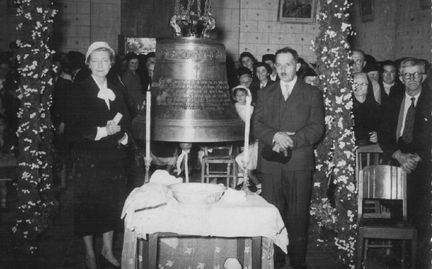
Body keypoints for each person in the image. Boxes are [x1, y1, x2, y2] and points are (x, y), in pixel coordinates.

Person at [253, 47, 324, 268]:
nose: (283, 69)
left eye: (288, 64)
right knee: (273, 212)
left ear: (298, 66)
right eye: (279, 65)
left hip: (299, 163)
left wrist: (291, 140)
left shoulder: (312, 93)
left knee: (298, 214)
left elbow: (317, 128)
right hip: (271, 163)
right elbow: (257, 125)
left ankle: (298, 261)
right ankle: (276, 260)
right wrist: (276, 135)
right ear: (274, 67)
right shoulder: (266, 92)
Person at [67, 41, 131, 269]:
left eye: (105, 60)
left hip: (113, 157)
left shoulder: (117, 87)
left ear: (112, 63)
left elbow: (125, 117)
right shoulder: (80, 88)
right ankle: (89, 253)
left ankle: (106, 248)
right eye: (95, 60)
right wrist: (103, 131)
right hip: (89, 158)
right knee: (88, 206)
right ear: (88, 64)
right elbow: (73, 130)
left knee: (112, 203)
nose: (100, 65)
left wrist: (123, 138)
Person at [378, 57, 432, 267]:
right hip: (397, 157)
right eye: (407, 75)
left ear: (424, 76)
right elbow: (383, 134)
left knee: (419, 210)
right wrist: (398, 155)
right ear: (400, 78)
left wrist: (419, 157)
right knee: (395, 204)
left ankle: (416, 260)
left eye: (416, 74)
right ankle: (397, 254)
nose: (411, 79)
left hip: (423, 163)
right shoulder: (393, 100)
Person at [232, 85, 261, 193]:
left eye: (242, 95)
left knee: (245, 161)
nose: (240, 97)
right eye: (237, 95)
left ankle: (250, 182)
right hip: (238, 137)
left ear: (247, 96)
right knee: (240, 160)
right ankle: (243, 182)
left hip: (249, 138)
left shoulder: (252, 108)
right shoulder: (234, 107)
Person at [352, 72, 380, 146]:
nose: (359, 87)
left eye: (363, 84)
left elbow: (384, 129)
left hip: (370, 149)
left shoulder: (377, 108)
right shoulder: (345, 108)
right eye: (355, 84)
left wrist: (378, 135)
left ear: (369, 86)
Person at [122, 52, 144, 118]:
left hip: (139, 103)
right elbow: (126, 93)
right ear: (128, 63)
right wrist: (133, 106)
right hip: (133, 106)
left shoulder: (136, 74)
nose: (135, 65)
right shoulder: (127, 75)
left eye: (136, 63)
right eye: (132, 63)